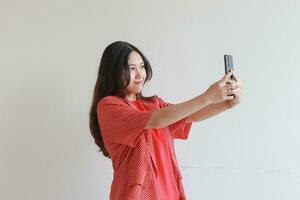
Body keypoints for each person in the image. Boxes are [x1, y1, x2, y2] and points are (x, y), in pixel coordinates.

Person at [89, 41, 243, 200]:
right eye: (131, 68)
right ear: (113, 71)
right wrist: (206, 97)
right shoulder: (109, 106)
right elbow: (156, 120)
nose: (140, 74)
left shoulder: (155, 104)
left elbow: (191, 115)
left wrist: (227, 103)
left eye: (142, 66)